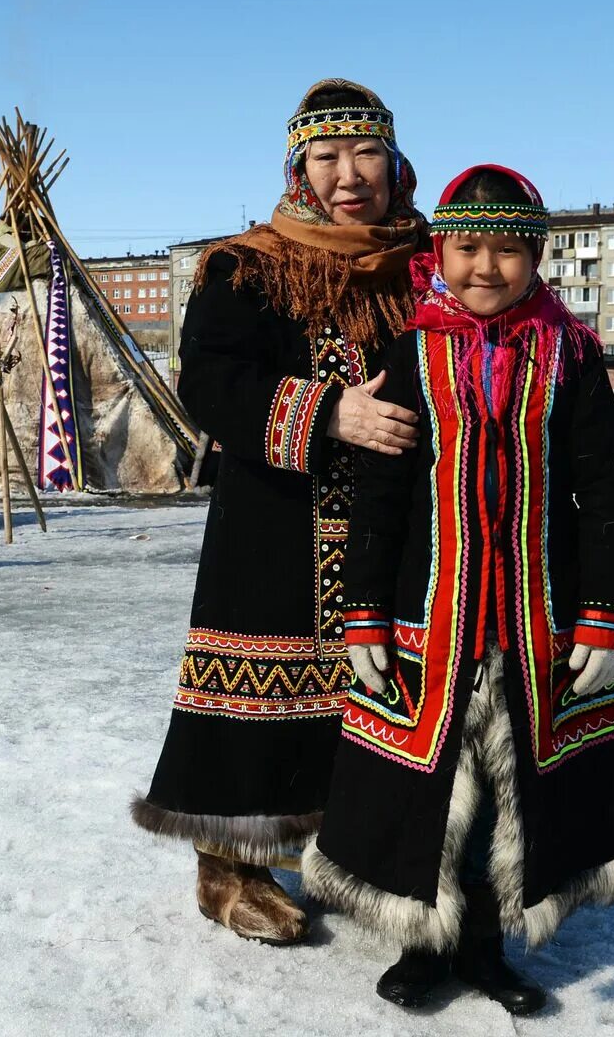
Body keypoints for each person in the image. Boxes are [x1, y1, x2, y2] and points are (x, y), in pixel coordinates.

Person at [305, 165, 614, 1016]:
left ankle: (484, 946)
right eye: (467, 248)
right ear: (440, 252)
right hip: (424, 616)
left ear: (536, 256)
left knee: (513, 788)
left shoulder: (570, 356)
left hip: (535, 617)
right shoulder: (412, 352)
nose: (485, 268)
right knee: (427, 784)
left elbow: (605, 494)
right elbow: (381, 495)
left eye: (506, 250)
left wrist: (603, 617)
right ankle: (421, 940)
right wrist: (361, 614)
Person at [132, 79, 429, 946]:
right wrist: (328, 412)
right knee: (264, 688)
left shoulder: (429, 266)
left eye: (365, 153)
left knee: (385, 691)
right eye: (326, 157)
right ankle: (228, 866)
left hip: (397, 521)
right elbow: (208, 381)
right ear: (300, 169)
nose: (348, 175)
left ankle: (361, 851)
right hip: (278, 519)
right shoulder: (247, 265)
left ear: (395, 162)